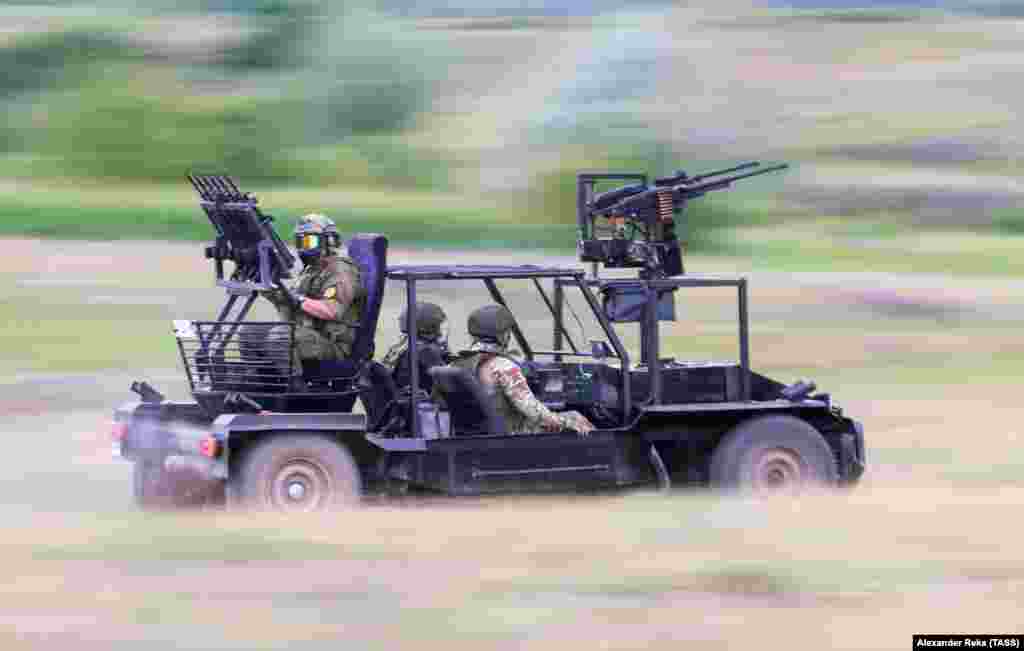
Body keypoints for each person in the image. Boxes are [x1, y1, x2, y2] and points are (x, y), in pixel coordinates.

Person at [436, 304, 594, 436]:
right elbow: (534, 412)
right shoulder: (503, 367)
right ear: (504, 335)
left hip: (466, 439)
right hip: (509, 438)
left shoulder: (453, 366)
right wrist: (569, 423)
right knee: (575, 416)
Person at [261, 214, 365, 374]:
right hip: (308, 335)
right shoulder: (311, 270)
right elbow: (289, 305)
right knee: (250, 334)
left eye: (310, 242)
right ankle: (262, 382)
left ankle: (294, 387)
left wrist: (299, 300)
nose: (303, 248)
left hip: (333, 345)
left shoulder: (341, 271)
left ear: (329, 241)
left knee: (280, 336)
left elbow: (332, 310)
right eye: (300, 242)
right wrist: (270, 287)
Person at [381, 302, 451, 392]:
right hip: (420, 401)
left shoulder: (403, 345)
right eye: (439, 323)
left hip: (404, 398)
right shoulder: (425, 351)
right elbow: (449, 381)